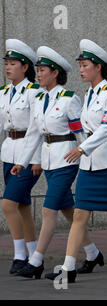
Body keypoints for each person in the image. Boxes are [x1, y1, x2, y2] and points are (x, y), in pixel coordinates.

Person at [44, 39, 107, 284]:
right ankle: (68, 268)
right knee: (79, 215)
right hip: (89, 165)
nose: (81, 69)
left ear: (98, 67)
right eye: (81, 65)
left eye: (85, 65)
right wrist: (84, 151)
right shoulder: (89, 94)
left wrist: (82, 148)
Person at [10, 46, 102, 279]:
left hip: (67, 159)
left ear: (55, 73)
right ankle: (92, 253)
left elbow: (80, 132)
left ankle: (36, 261)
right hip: (49, 160)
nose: (38, 74)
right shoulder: (39, 98)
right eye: (38, 70)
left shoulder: (70, 99)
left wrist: (87, 155)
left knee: (48, 210)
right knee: (68, 210)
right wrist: (22, 162)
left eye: (42, 70)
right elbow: (33, 134)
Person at [0, 39, 42, 274]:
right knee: (23, 206)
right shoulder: (4, 93)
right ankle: (35, 254)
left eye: (13, 63)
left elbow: (38, 127)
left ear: (25, 67)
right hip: (9, 152)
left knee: (8, 205)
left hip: (27, 154)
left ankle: (19, 256)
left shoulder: (34, 92)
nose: (7, 68)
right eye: (6, 63)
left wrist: (36, 159)